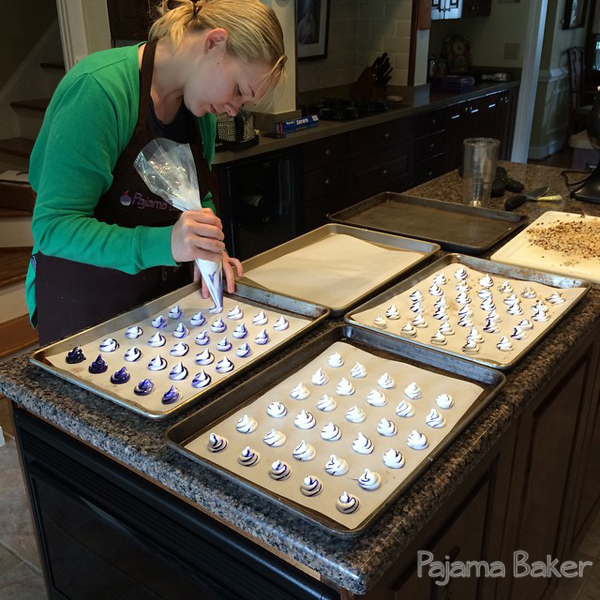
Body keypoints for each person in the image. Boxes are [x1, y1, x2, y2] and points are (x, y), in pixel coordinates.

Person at [26, 0, 286, 345]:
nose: (233, 110)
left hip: (159, 307)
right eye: (238, 90)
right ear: (214, 42)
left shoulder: (200, 112)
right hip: (86, 307)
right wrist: (166, 244)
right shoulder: (98, 91)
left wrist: (206, 246)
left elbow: (197, 196)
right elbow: (54, 228)